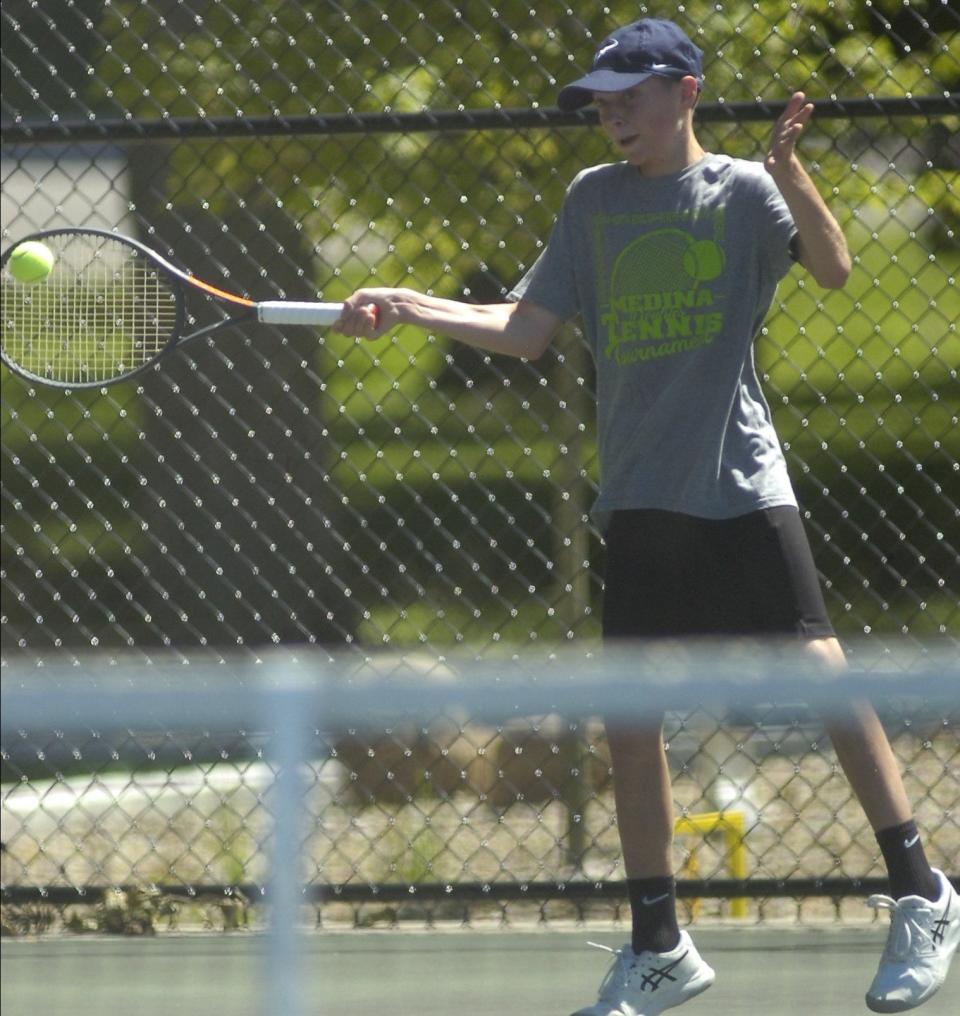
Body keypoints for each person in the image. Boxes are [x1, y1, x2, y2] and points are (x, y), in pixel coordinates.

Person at [335, 17, 959, 1015]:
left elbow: (836, 270)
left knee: (822, 674)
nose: (613, 115)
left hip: (739, 483)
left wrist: (792, 170)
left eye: (631, 95)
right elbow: (527, 329)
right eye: (602, 100)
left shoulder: (744, 193)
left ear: (687, 92)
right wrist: (409, 302)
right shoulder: (592, 202)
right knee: (630, 721)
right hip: (636, 498)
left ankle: (923, 891)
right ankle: (659, 942)